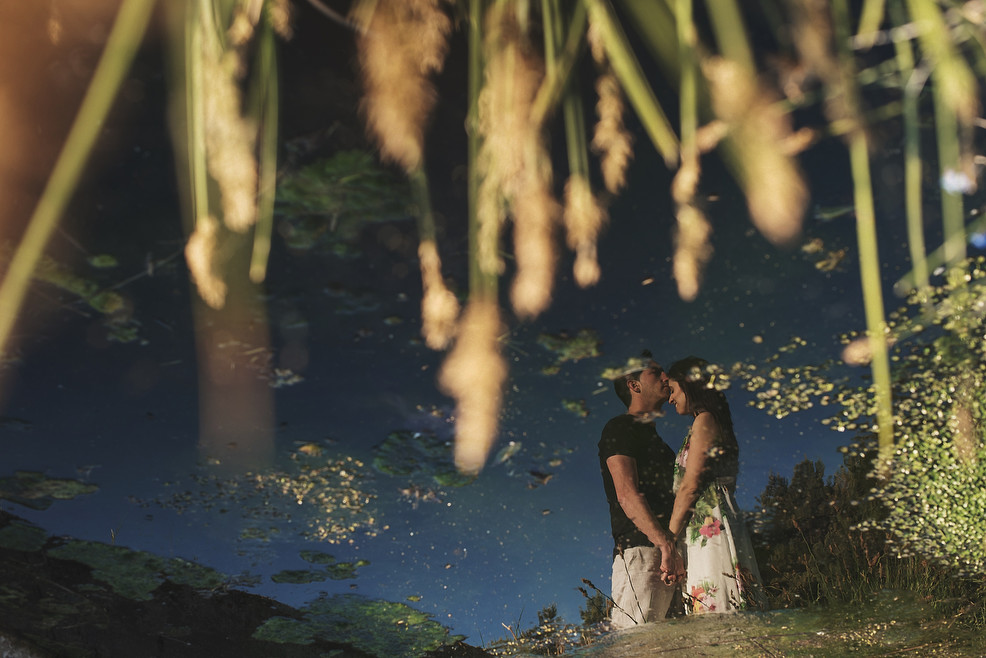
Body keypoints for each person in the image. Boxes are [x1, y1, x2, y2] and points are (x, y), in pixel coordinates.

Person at [667, 356, 766, 614]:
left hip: (711, 524)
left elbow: (690, 487)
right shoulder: (709, 421)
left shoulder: (705, 420)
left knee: (719, 609)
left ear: (689, 384)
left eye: (673, 389)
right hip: (710, 523)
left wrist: (667, 541)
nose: (669, 398)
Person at [598, 351, 684, 629]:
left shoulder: (655, 440)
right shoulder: (620, 427)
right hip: (642, 554)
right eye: (655, 372)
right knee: (639, 647)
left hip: (668, 553)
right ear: (634, 386)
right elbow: (627, 493)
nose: (665, 376)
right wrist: (664, 543)